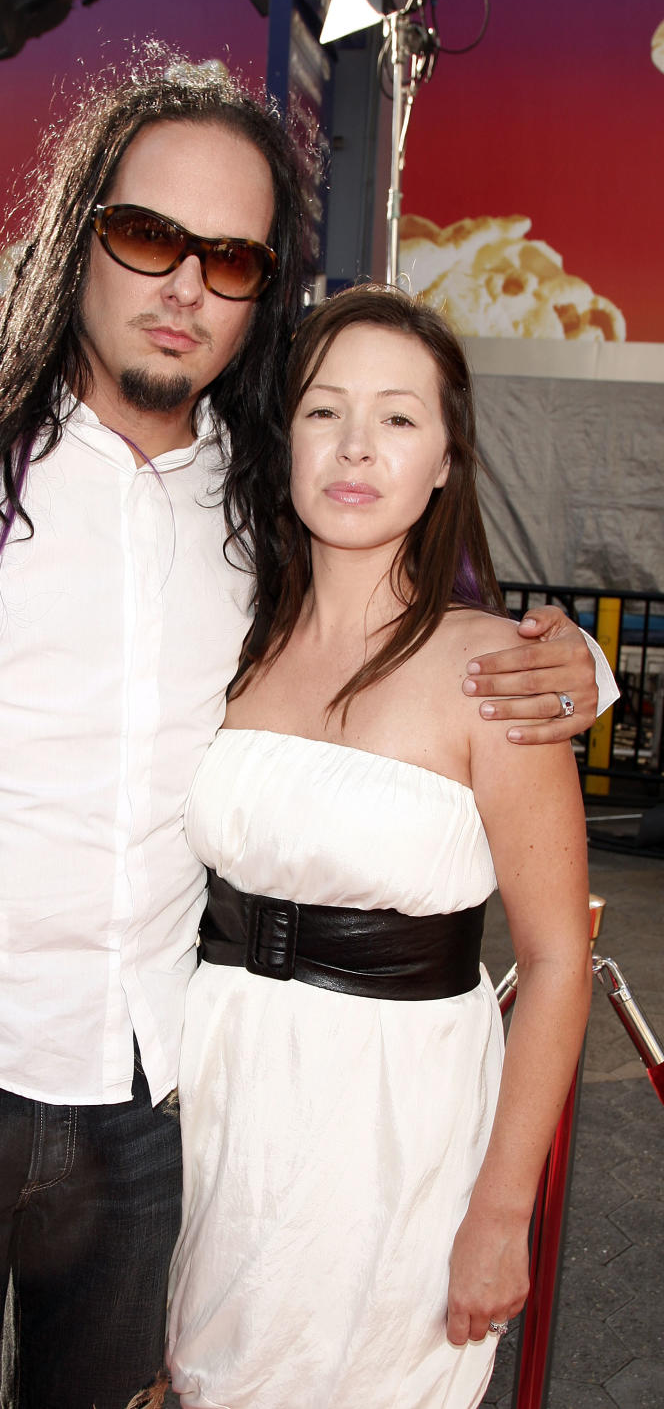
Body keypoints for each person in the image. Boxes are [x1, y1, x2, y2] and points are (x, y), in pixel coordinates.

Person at [0, 62, 609, 1409]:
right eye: (150, 236)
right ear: (84, 227)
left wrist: (577, 670)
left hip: (162, 1103)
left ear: (262, 289)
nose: (184, 285)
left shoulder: (249, 491)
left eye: (231, 259)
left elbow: (386, 620)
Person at [164, 286, 593, 1409]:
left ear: (447, 457)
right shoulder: (226, 637)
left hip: (395, 1125)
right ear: (284, 434)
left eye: (399, 419)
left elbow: (552, 962)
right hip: (213, 1095)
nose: (357, 447)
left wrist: (502, 1213)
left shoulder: (495, 669)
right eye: (324, 411)